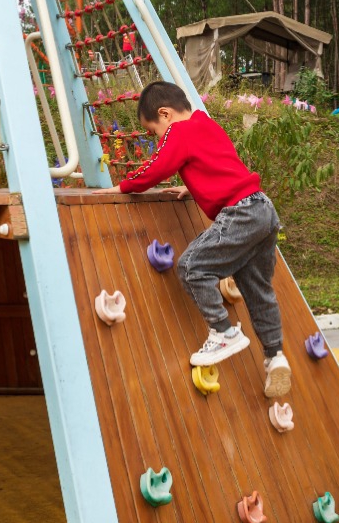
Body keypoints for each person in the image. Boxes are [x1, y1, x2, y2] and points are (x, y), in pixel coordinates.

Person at [113, 80, 292, 398]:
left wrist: (123, 187)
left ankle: (223, 332)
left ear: (165, 114)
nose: (158, 138)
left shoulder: (178, 133)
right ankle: (275, 356)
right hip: (262, 210)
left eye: (154, 131)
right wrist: (192, 187)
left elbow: (157, 168)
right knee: (257, 290)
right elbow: (220, 167)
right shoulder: (207, 125)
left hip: (241, 213)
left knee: (192, 266)